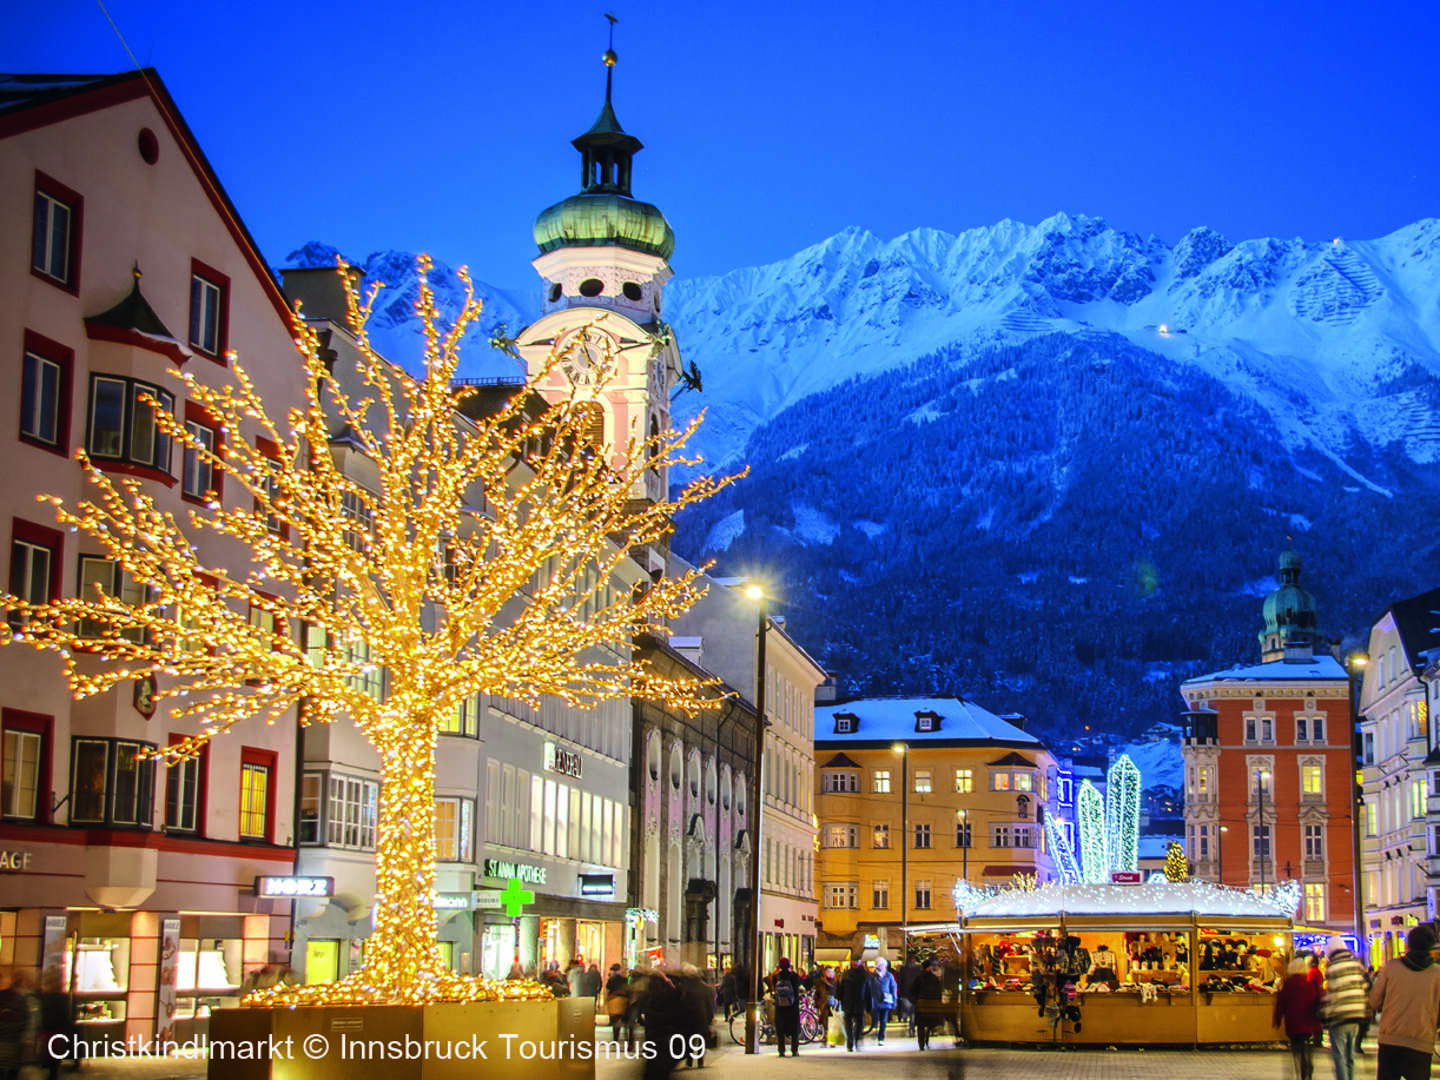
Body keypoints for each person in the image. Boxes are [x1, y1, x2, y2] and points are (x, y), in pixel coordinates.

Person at [1369, 924, 1440, 1080]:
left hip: (1390, 1041)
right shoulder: (1437, 974)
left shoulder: (1391, 968)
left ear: (1408, 944)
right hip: (1421, 1043)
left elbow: (1374, 1001)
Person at [1320, 943, 1369, 1080]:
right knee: (1350, 1055)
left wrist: (1326, 1014)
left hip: (1340, 1016)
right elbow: (1364, 987)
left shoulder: (1332, 968)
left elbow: (1332, 994)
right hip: (1356, 1014)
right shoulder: (1357, 965)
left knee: (1339, 1055)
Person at [1273, 956, 1322, 1080]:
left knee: (1296, 1048)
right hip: (1307, 1022)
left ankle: (1300, 1068)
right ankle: (1307, 1066)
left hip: (1292, 1023)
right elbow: (1314, 1002)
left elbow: (1281, 1004)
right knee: (1306, 1044)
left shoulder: (1287, 986)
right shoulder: (1308, 985)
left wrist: (1277, 1020)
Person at [769, 957, 802, 1057]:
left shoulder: (776, 977)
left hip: (780, 1007)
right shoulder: (794, 976)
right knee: (794, 1029)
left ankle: (781, 1050)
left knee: (780, 1029)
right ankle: (794, 1050)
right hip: (792, 1006)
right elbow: (798, 987)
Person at [913, 959, 945, 1051]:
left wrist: (916, 1001)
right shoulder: (934, 979)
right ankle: (926, 1039)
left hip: (921, 1005)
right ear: (929, 968)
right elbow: (939, 992)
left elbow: (913, 991)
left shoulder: (918, 978)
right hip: (931, 1006)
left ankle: (921, 1043)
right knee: (929, 1023)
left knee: (921, 1025)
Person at [837, 959, 868, 1052]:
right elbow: (841, 988)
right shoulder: (846, 974)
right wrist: (839, 998)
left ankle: (856, 1040)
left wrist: (869, 1004)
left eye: (857, 961)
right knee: (849, 1023)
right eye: (854, 961)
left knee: (859, 1023)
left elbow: (868, 990)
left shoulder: (864, 975)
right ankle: (850, 1042)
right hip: (848, 1001)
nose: (855, 963)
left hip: (859, 1002)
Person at [866, 956, 898, 1044]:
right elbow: (868, 988)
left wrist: (894, 1000)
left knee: (883, 1021)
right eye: (879, 965)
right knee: (875, 1020)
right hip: (875, 1001)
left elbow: (893, 988)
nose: (880, 967)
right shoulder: (872, 976)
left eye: (882, 965)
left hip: (886, 1001)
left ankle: (881, 1038)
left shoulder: (889, 976)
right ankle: (875, 1034)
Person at [604, 964, 630, 1042]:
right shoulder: (624, 979)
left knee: (615, 1020)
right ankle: (627, 1038)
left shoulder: (611, 979)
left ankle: (615, 1038)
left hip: (614, 1000)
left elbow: (608, 988)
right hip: (622, 999)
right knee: (623, 1019)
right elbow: (627, 989)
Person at [897, 953, 921, 1036]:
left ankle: (905, 1016)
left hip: (905, 993)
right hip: (915, 994)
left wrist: (900, 992)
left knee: (908, 1010)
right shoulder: (918, 969)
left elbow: (899, 982)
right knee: (913, 1012)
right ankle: (912, 1027)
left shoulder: (903, 969)